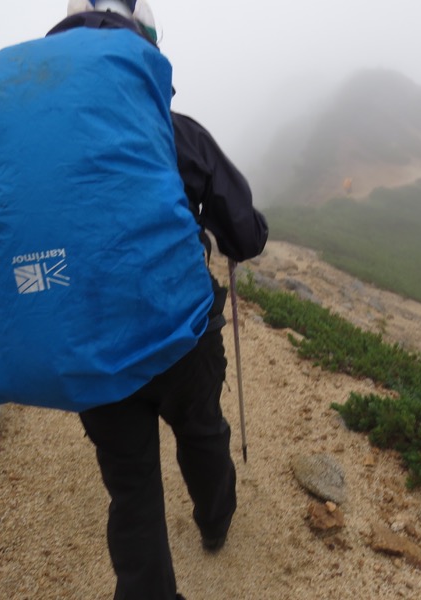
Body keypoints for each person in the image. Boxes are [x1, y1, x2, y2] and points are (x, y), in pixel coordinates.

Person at [49, 3, 269, 600]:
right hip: (178, 333)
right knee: (200, 430)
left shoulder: (44, 149)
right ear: (146, 48)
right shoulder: (175, 133)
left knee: (131, 483)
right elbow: (244, 237)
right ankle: (215, 523)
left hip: (87, 343)